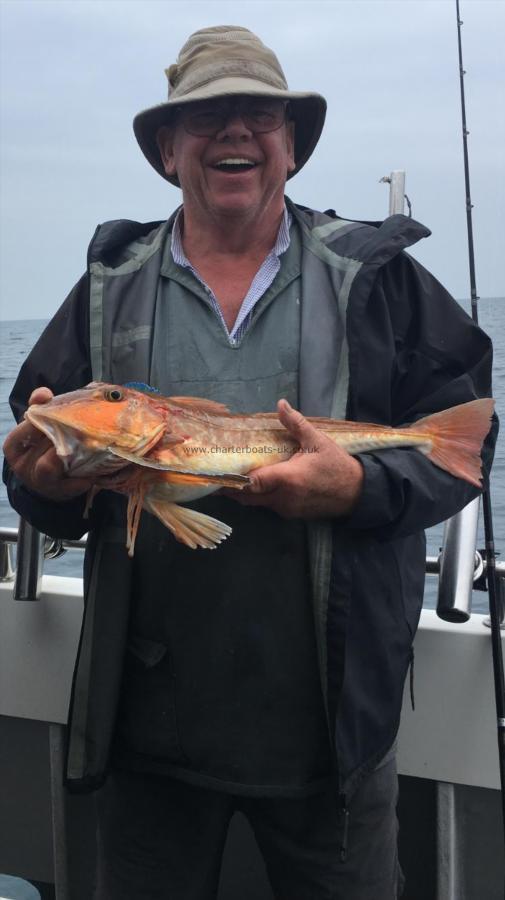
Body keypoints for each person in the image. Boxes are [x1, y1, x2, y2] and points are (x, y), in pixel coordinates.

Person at [3, 25, 496, 900]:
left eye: (258, 116)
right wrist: (40, 480)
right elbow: (41, 452)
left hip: (330, 722)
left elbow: (462, 444)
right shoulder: (109, 284)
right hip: (150, 721)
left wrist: (358, 487)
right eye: (205, 117)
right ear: (167, 149)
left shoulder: (373, 277)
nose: (234, 133)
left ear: (292, 146)